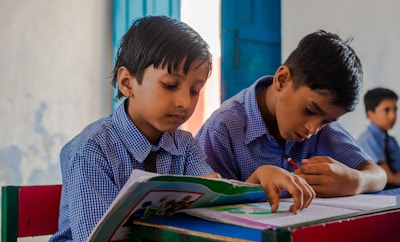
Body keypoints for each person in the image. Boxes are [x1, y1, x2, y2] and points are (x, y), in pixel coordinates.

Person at [50, 16, 314, 242]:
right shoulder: (92, 150)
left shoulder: (184, 145)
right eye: (170, 85)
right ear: (127, 82)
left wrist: (256, 180)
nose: (184, 102)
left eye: (195, 90)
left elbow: (215, 199)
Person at [196, 30, 387, 198]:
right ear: (282, 80)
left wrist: (354, 181)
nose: (313, 129)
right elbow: (204, 203)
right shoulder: (225, 127)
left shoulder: (321, 127)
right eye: (309, 110)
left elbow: (378, 175)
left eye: (326, 121)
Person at [357, 87, 400, 189]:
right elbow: (387, 176)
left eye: (395, 109)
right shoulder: (368, 139)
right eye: (386, 110)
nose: (393, 116)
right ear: (370, 114)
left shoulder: (391, 141)